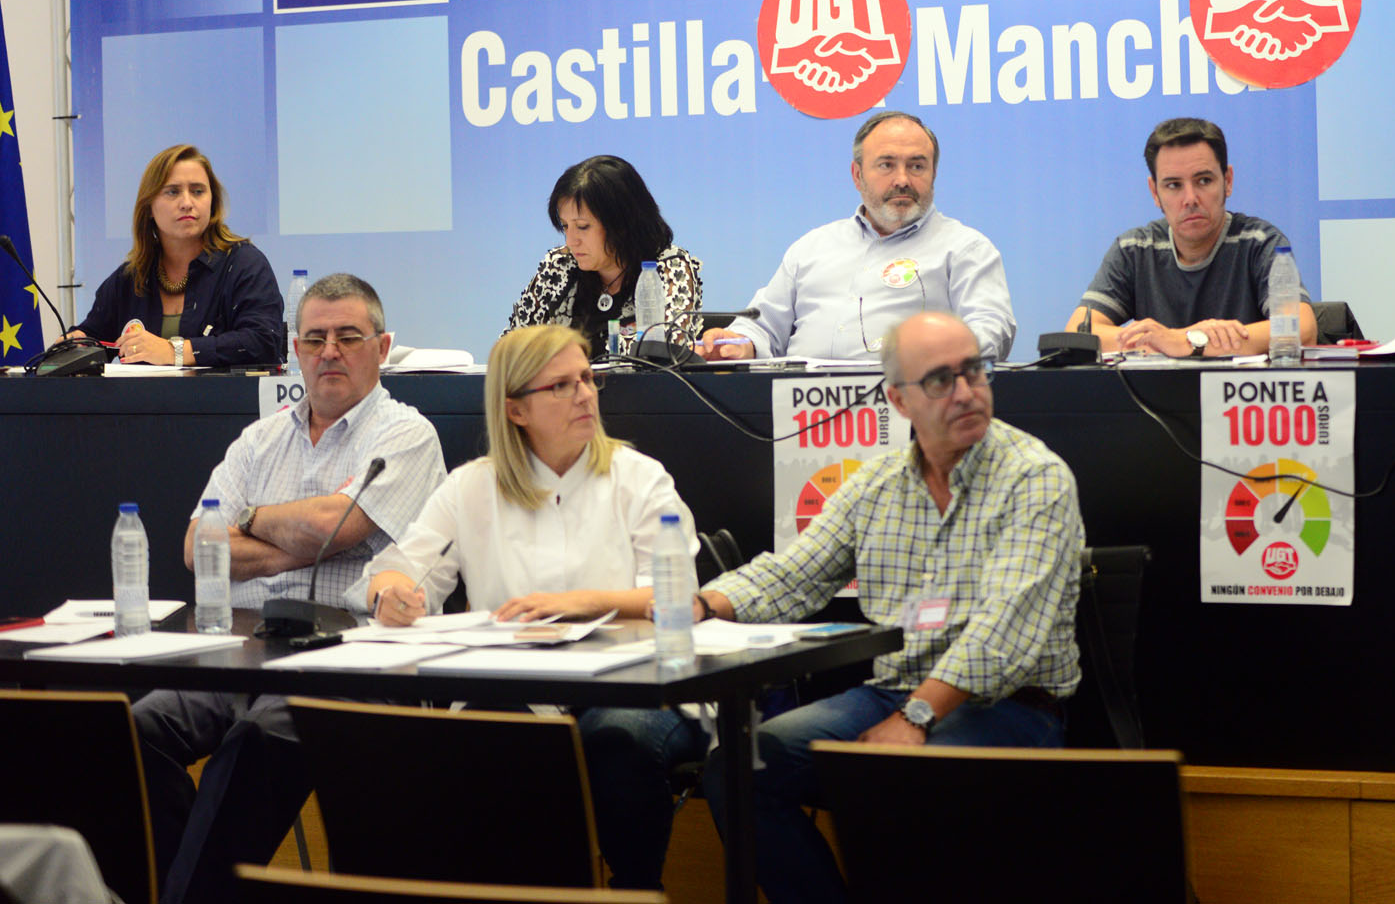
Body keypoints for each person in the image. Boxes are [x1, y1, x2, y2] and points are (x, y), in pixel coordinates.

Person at [698, 310, 1082, 904]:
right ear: (898, 401)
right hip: (889, 693)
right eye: (940, 379)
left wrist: (917, 718)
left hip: (1008, 707)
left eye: (974, 372)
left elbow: (1001, 634)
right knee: (737, 770)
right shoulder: (876, 483)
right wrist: (699, 605)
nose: (965, 393)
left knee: (908, 782)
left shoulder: (1035, 478)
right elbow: (793, 576)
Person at [131, 274, 446, 904]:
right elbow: (198, 548)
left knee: (262, 737)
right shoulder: (259, 439)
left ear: (381, 349)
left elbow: (337, 526)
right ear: (295, 350)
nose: (329, 351)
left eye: (348, 337)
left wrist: (247, 520)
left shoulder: (407, 435)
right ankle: (181, 888)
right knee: (134, 730)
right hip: (244, 656)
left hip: (352, 665)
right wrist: (290, 538)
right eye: (315, 338)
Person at [361, 324, 707, 890]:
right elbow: (400, 567)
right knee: (486, 736)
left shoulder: (639, 478)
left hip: (634, 685)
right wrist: (392, 594)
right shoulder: (472, 487)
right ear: (515, 410)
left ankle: (635, 891)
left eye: (587, 379)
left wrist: (579, 604)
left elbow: (676, 597)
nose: (585, 395)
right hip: (515, 687)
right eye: (561, 386)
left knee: (617, 737)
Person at [697, 112, 1016, 361]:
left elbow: (991, 329)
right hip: (799, 410)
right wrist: (739, 342)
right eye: (887, 165)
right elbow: (762, 324)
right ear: (858, 175)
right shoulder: (813, 247)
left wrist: (935, 358)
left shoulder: (965, 248)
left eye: (917, 166)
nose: (902, 180)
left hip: (912, 408)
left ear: (933, 174)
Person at [1067, 117, 1317, 357]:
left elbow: (1301, 329)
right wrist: (1172, 339)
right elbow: (1079, 334)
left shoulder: (1259, 242)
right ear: (1155, 192)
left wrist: (1184, 341)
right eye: (1174, 185)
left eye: (1204, 180)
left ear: (1227, 181)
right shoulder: (1134, 249)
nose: (1190, 199)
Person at [66, 144, 282, 366]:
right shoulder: (129, 278)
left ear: (212, 202)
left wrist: (174, 351)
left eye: (198, 191)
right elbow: (93, 339)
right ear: (149, 206)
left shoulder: (244, 265)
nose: (187, 203)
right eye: (173, 192)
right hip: (144, 402)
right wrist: (74, 344)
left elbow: (263, 341)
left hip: (224, 400)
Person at [506, 156, 701, 359]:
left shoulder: (670, 266)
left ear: (621, 224)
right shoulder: (559, 264)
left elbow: (666, 350)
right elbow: (512, 347)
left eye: (582, 227)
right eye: (565, 226)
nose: (571, 241)